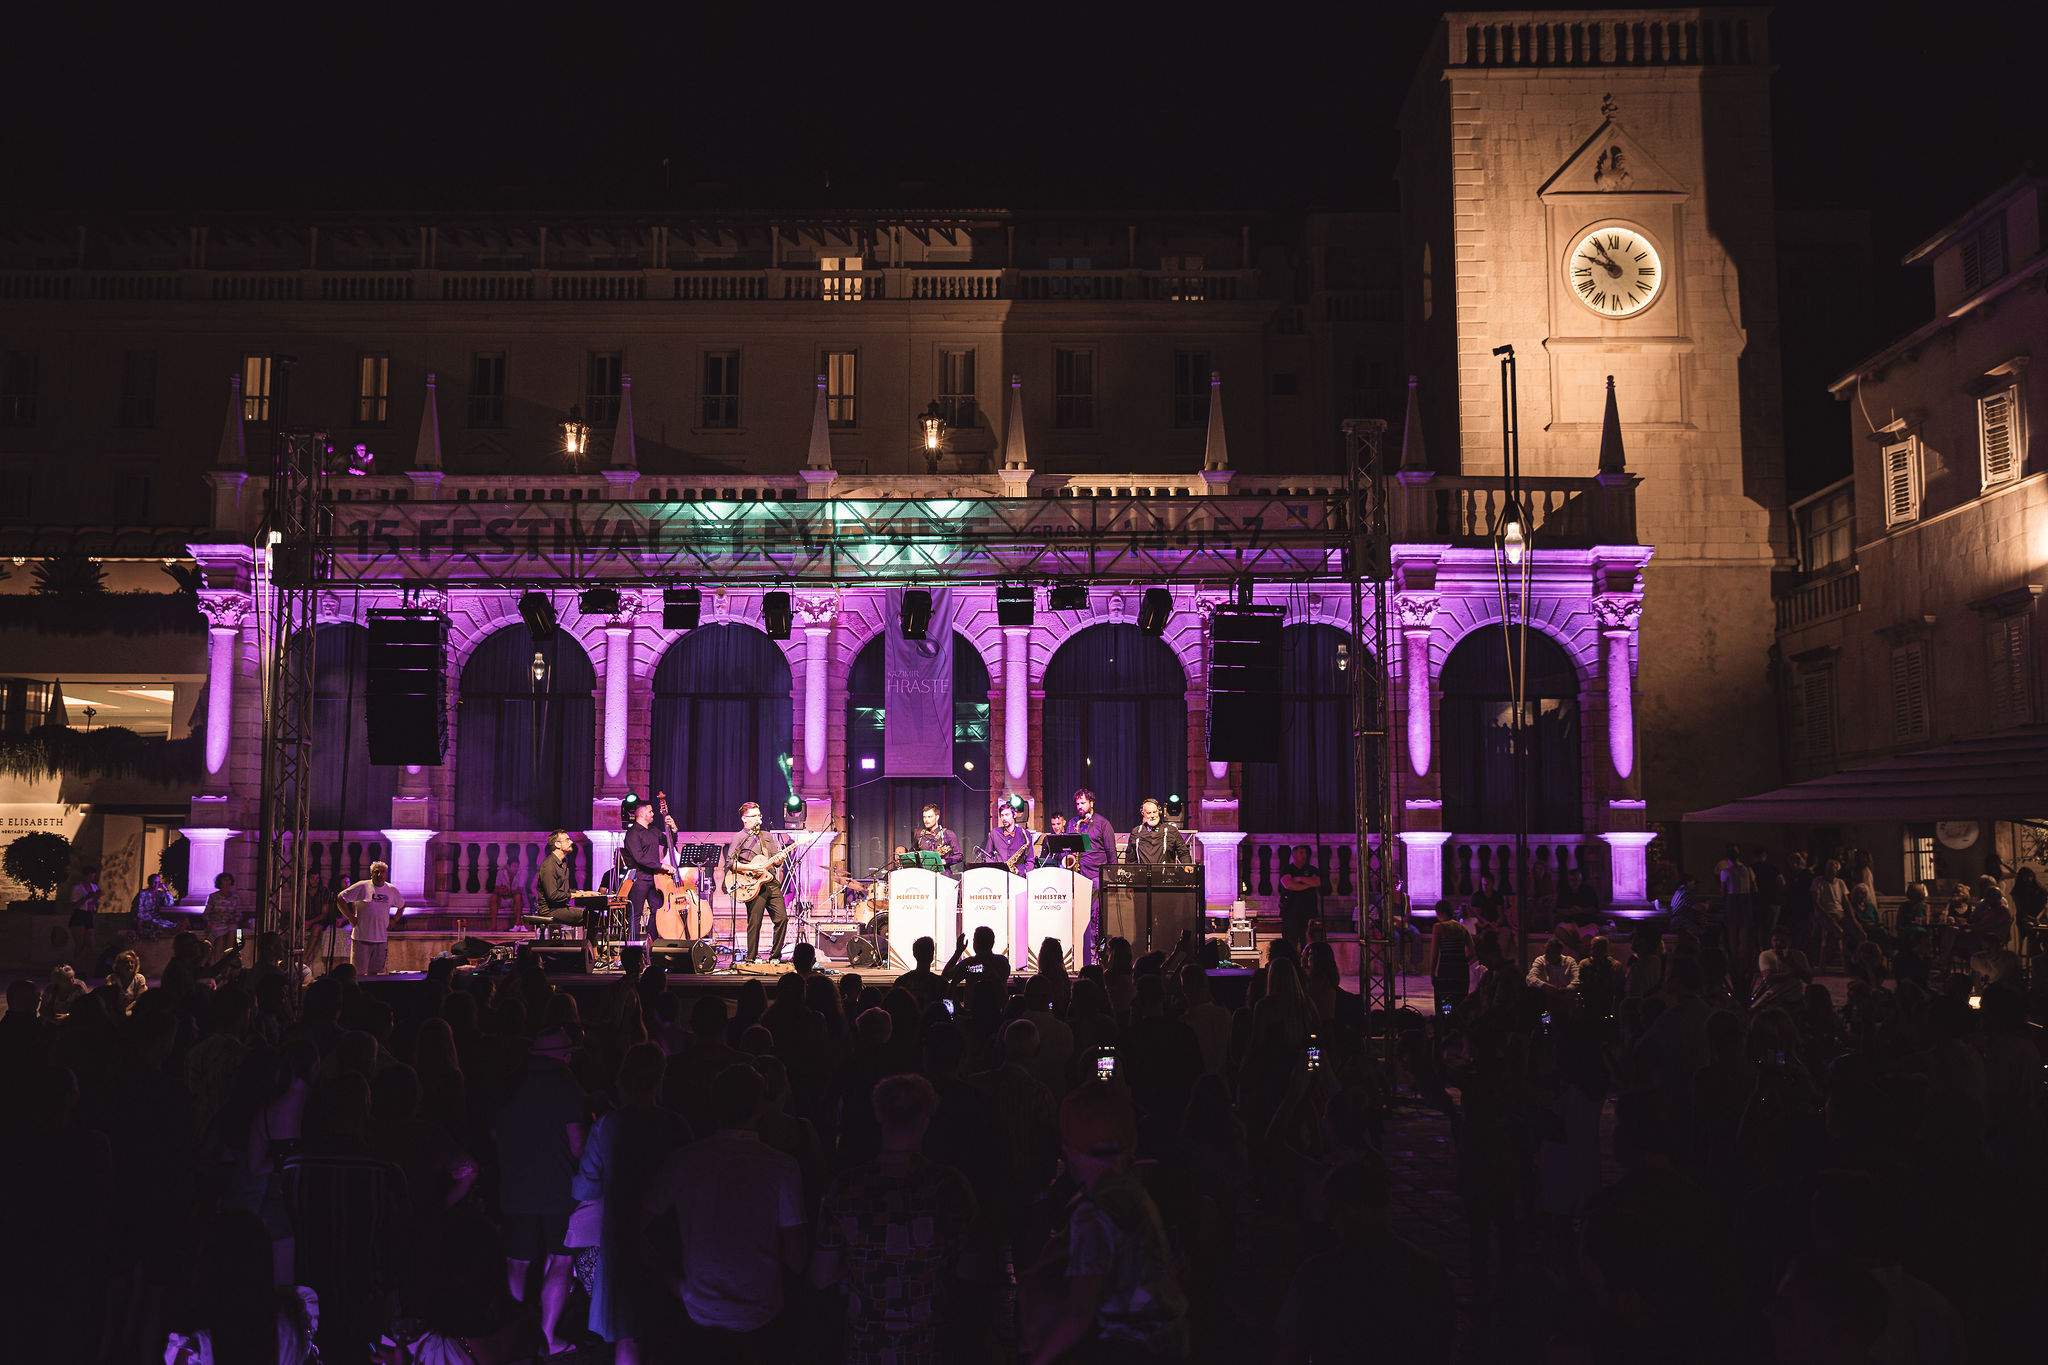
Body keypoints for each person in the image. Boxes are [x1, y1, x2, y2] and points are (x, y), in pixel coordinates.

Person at [812, 1073, 979, 1363]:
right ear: (926, 1119)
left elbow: (821, 1276)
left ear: (878, 1114)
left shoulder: (847, 1187)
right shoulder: (950, 1187)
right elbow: (971, 1270)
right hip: (927, 1342)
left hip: (866, 1341)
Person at [645, 1063, 806, 1353]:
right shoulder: (782, 1167)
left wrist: (676, 1285)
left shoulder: (684, 1160)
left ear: (714, 1103)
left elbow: (633, 1228)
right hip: (760, 1312)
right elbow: (796, 1258)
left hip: (701, 1309)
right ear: (760, 1106)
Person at [1027, 1081, 1189, 1364]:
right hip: (1167, 1343)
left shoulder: (1093, 1213)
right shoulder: (1133, 1190)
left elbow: (1079, 1314)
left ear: (1067, 1149)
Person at [1269, 1155, 1454, 1365]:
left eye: (1333, 1215)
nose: (1332, 1226)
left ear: (1349, 1211)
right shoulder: (1430, 1272)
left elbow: (1288, 1352)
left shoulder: (1318, 1276)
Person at [573, 1042, 688, 1365]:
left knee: (627, 1334)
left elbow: (585, 1187)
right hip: (665, 1237)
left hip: (621, 1238)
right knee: (663, 1332)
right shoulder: (676, 1126)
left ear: (623, 1078)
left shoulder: (607, 1126)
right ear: (660, 1079)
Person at [495, 1026, 590, 1356]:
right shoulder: (567, 1086)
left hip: (515, 1185)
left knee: (516, 1263)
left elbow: (495, 1133)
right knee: (560, 1261)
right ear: (562, 1056)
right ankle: (546, 1339)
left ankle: (512, 1339)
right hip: (558, 1188)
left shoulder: (510, 1082)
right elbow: (578, 1145)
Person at [725, 801, 790, 964]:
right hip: (753, 884)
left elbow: (776, 861)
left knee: (782, 919)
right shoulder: (739, 837)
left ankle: (775, 956)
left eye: (759, 815)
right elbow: (730, 863)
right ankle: (751, 958)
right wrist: (751, 868)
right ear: (744, 819)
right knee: (755, 922)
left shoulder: (767, 836)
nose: (758, 819)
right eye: (754, 816)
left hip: (771, 882)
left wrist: (780, 859)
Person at [1069, 790, 1117, 958]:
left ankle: (1093, 954)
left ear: (1091, 803)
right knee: (1076, 915)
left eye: (1082, 803)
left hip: (1096, 875)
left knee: (1093, 917)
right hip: (1077, 875)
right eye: (1077, 804)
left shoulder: (1103, 823)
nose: (1079, 806)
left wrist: (1112, 879)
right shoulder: (1073, 823)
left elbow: (1112, 854)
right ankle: (1077, 954)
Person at [337, 861, 404, 977]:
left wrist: (395, 920)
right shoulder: (362, 886)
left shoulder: (391, 890)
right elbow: (340, 898)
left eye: (382, 872)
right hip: (361, 938)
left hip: (380, 939)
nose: (379, 875)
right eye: (376, 872)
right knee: (358, 974)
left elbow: (402, 905)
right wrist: (351, 918)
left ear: (386, 874)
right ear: (371, 874)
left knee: (374, 975)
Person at [622, 799, 669, 942]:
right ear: (642, 814)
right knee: (635, 914)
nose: (653, 813)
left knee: (658, 911)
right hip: (639, 879)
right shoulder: (632, 833)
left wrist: (673, 829)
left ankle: (650, 940)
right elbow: (640, 858)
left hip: (654, 878)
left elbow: (668, 841)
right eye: (650, 811)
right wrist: (661, 866)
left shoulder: (653, 831)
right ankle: (633, 946)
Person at [1426, 909, 1474, 1016]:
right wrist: (1462, 960)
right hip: (1462, 970)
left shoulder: (1438, 927)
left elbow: (1434, 953)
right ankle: (1458, 1027)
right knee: (1460, 1001)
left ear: (1439, 913)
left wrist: (1432, 973)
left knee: (1445, 1002)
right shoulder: (1462, 928)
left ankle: (1445, 1025)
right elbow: (1472, 951)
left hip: (1446, 969)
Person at [1716, 844, 1758, 966]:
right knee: (1743, 934)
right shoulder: (1748, 870)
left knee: (1732, 933)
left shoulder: (1725, 872)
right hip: (1745, 900)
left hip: (1732, 900)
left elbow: (1723, 892)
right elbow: (1754, 889)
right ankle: (1743, 962)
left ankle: (1734, 962)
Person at [532, 829, 583, 928]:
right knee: (591, 917)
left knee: (592, 916)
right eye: (567, 840)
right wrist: (573, 895)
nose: (571, 842)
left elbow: (562, 891)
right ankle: (592, 944)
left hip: (561, 908)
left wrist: (582, 893)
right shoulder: (549, 866)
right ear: (557, 844)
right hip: (550, 910)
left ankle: (587, 943)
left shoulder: (563, 863)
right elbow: (552, 895)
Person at [1123, 798, 1190, 866]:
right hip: (1142, 875)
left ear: (1159, 812)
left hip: (1165, 875)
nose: (1152, 816)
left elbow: (1183, 852)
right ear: (1143, 813)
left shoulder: (1171, 830)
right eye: (1149, 813)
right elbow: (1130, 858)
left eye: (1154, 812)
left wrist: (1187, 865)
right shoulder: (1136, 832)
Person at [1277, 845, 1321, 947]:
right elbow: (1288, 884)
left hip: (1308, 912)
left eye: (1305, 853)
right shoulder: (1287, 869)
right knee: (1289, 943)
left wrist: (1300, 879)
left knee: (1307, 943)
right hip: (1290, 913)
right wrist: (1308, 885)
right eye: (1301, 853)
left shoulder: (1311, 869)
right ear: (1294, 855)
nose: (1304, 856)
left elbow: (1317, 882)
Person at [987, 800, 1037, 871]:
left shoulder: (1025, 834)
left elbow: (1030, 861)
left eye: (1007, 815)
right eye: (1002, 815)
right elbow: (988, 856)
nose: (1004, 818)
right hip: (1000, 874)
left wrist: (1020, 871)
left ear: (1014, 815)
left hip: (1018, 876)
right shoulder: (994, 833)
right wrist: (996, 869)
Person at [914, 803, 963, 875]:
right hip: (925, 876)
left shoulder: (948, 834)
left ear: (937, 817)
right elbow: (913, 854)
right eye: (924, 817)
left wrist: (945, 861)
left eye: (929, 817)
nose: (926, 820)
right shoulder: (920, 835)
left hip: (944, 876)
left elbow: (959, 856)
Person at [67, 863, 100, 965]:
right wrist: (87, 897)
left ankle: (79, 964)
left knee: (89, 943)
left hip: (88, 915)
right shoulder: (77, 888)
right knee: (80, 943)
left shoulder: (94, 887)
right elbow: (74, 905)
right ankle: (76, 966)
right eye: (89, 877)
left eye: (93, 877)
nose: (91, 879)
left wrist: (96, 898)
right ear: (84, 876)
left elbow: (95, 903)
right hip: (79, 914)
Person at [135, 871, 182, 939]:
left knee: (172, 925)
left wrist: (166, 890)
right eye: (154, 882)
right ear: (149, 882)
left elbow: (170, 904)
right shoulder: (143, 893)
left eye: (158, 883)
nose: (156, 885)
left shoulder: (159, 894)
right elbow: (139, 909)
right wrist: (139, 925)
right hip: (146, 919)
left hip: (156, 918)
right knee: (161, 926)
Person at [203, 872, 241, 941]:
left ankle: (230, 951)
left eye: (229, 880)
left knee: (235, 933)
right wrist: (209, 922)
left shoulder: (235, 897)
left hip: (230, 924)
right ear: (220, 882)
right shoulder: (213, 897)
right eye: (225, 880)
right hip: (216, 923)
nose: (227, 882)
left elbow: (238, 914)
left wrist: (234, 920)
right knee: (220, 939)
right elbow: (206, 914)